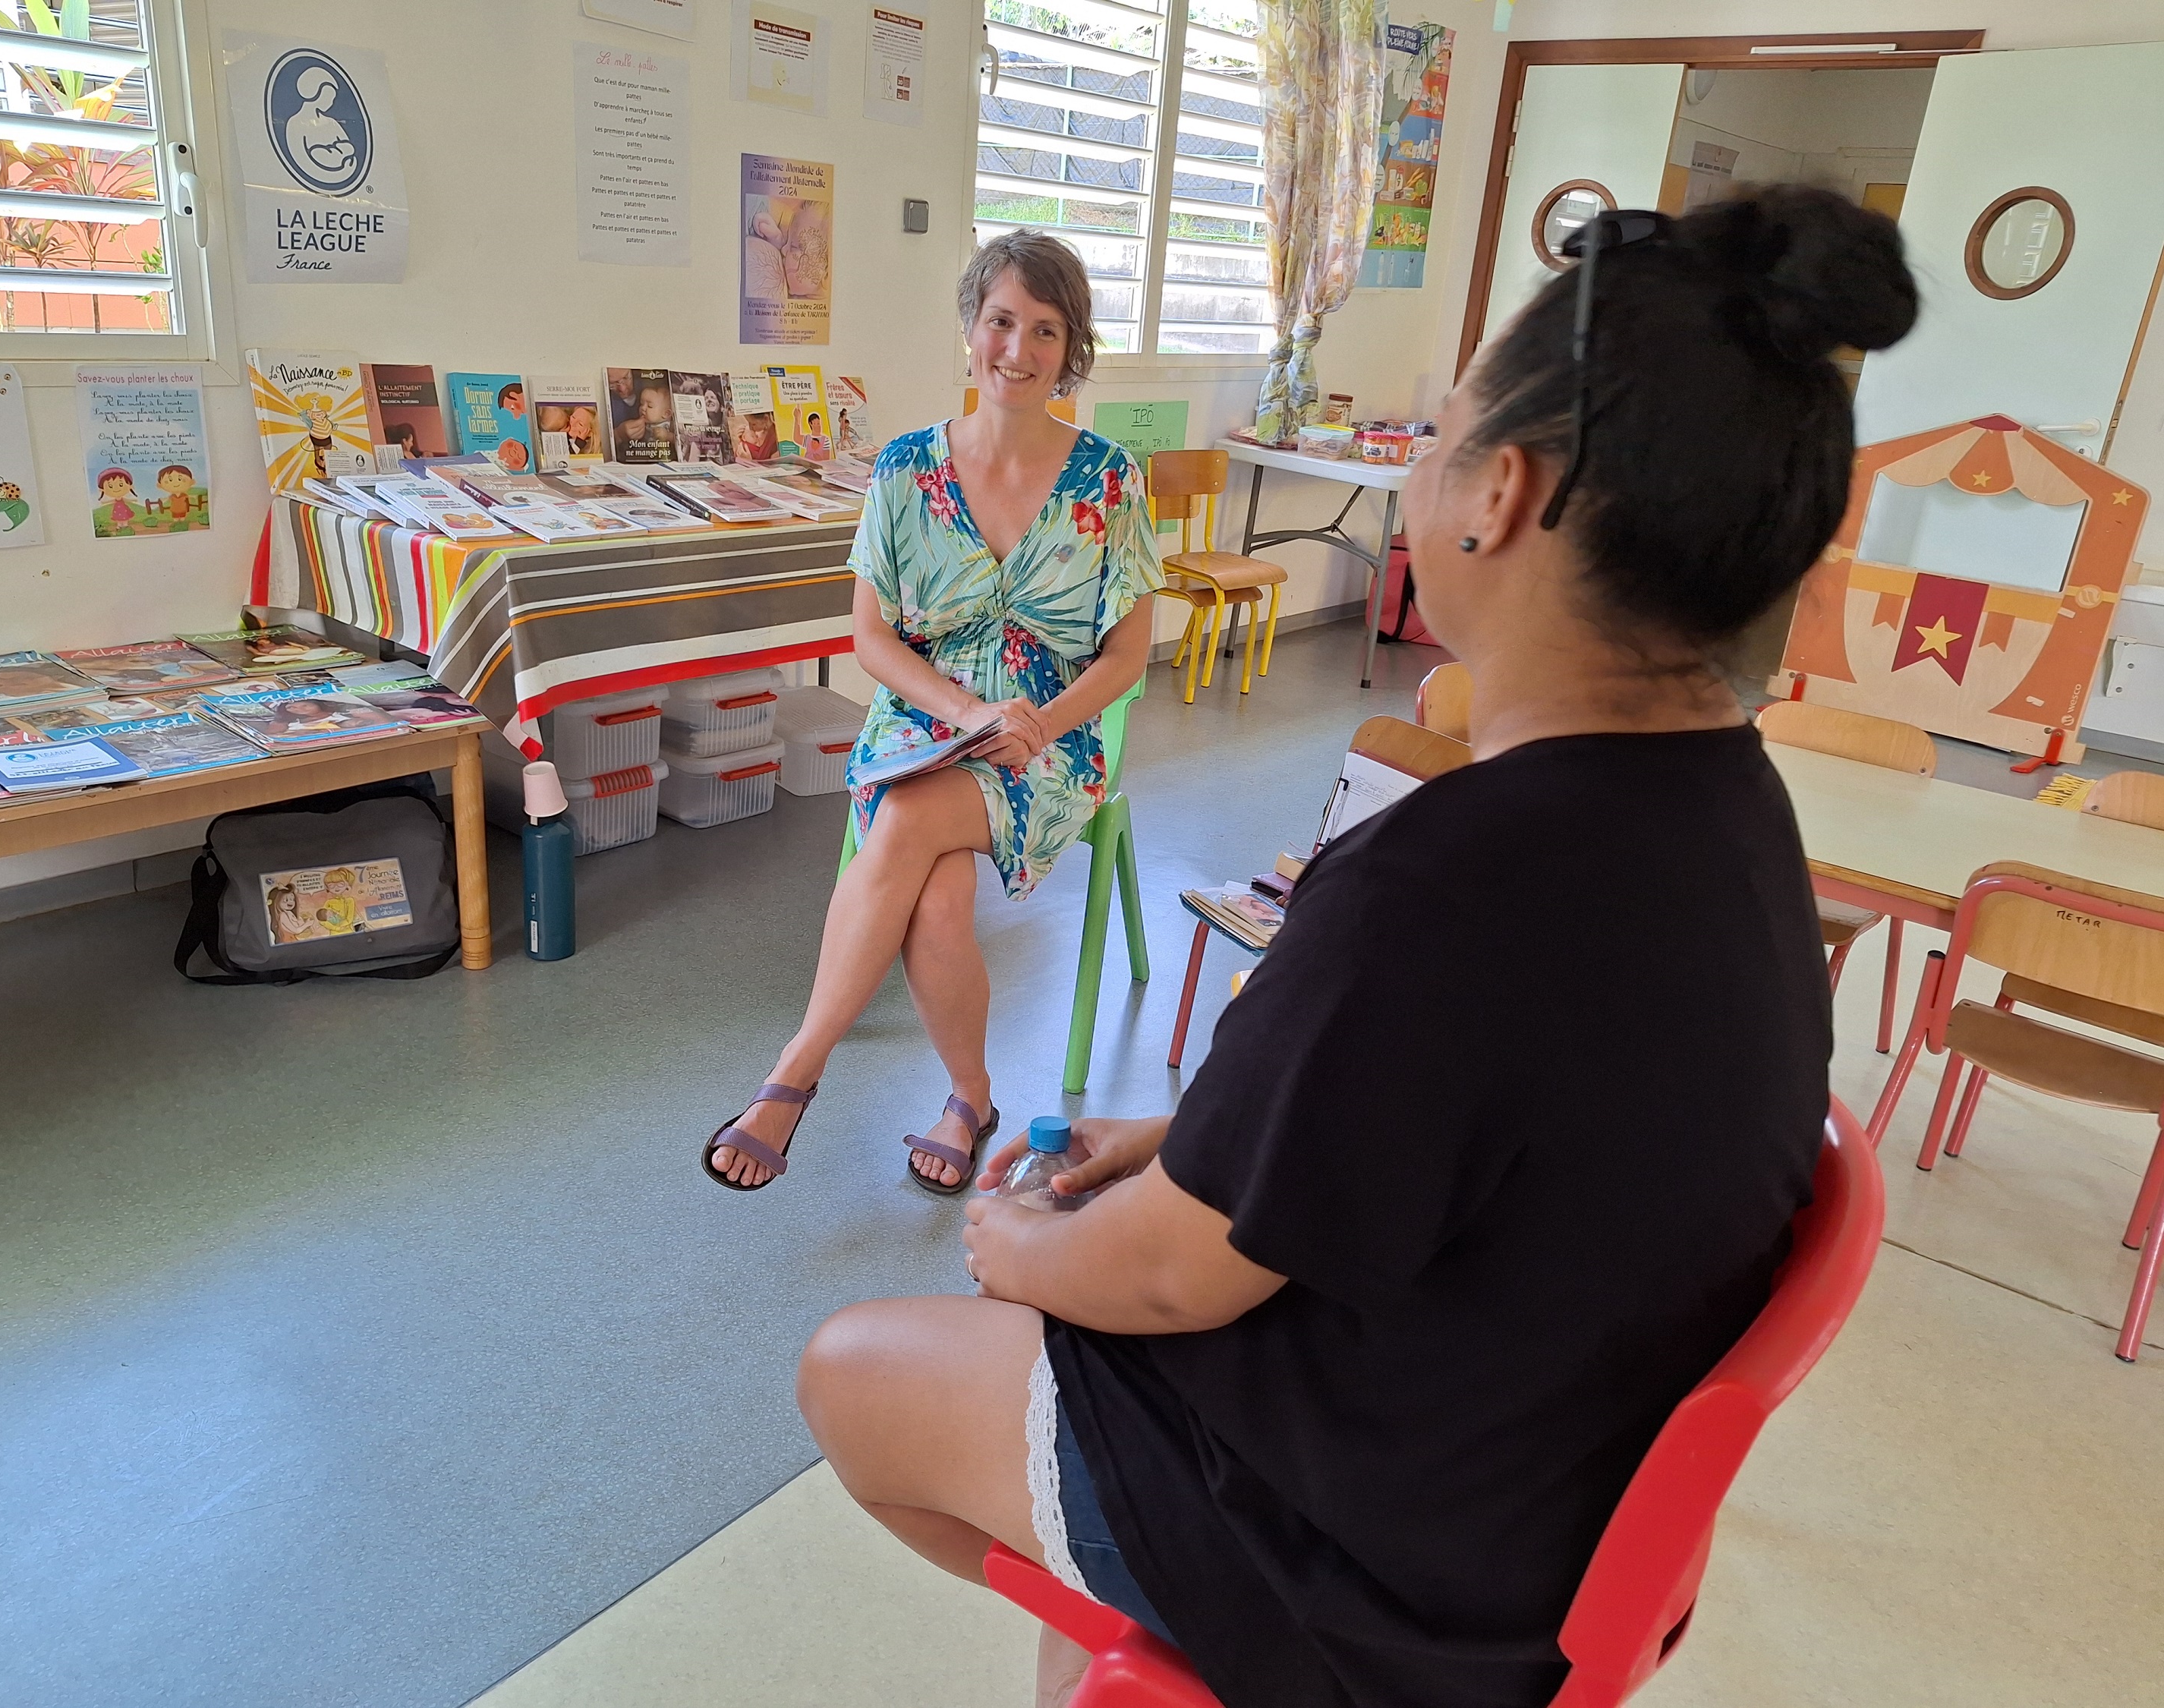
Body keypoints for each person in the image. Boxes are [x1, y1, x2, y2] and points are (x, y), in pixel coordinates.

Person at [795, 184, 1920, 1708]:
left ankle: (1148, 1646)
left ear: (1499, 496)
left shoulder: (1442, 875)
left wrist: (1022, 1247)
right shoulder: (1731, 822)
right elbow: (1451, 1116)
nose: (1417, 464)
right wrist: (1183, 1137)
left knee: (855, 1367)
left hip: (1376, 1565)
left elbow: (1184, 1279)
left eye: (1437, 432)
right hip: (1536, 1496)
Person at [704, 230, 1162, 1195]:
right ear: (969, 328)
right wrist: (962, 708)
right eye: (1002, 322)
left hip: (1053, 737)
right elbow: (872, 641)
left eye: (1047, 330)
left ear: (1069, 348)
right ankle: (971, 1099)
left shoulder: (1112, 476)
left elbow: (1126, 654)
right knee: (940, 892)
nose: (1020, 350)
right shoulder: (906, 470)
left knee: (910, 821)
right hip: (923, 720)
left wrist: (1032, 722)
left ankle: (796, 1070)